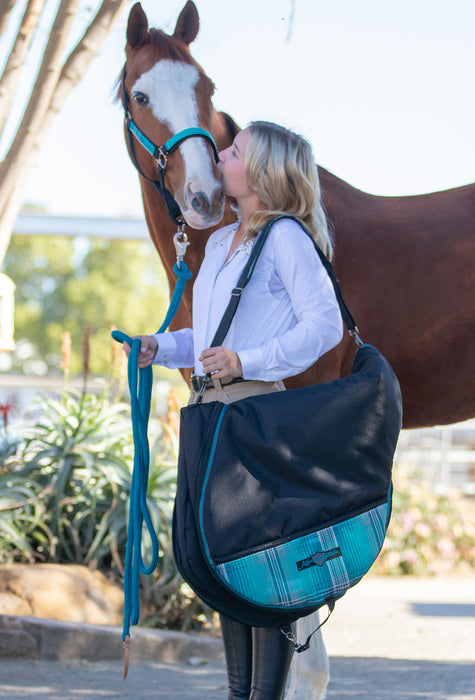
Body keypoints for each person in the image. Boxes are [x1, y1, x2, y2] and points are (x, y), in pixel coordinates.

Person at [124, 120, 343, 699]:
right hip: (209, 416)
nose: (221, 154)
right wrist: (159, 346)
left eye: (234, 150)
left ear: (262, 172)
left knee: (260, 574)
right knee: (226, 568)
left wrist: (249, 361)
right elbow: (208, 337)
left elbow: (325, 326)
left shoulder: (287, 238)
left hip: (251, 418)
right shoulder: (221, 240)